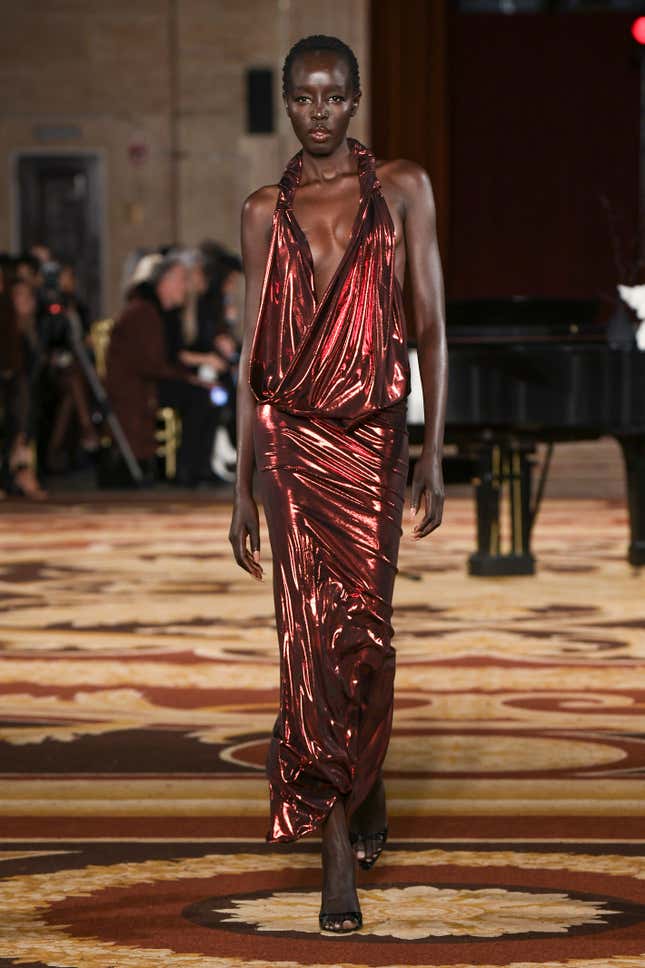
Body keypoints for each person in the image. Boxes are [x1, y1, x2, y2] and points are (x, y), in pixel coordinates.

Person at [229, 34, 447, 933]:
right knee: (307, 638)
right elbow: (252, 348)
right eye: (303, 99)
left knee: (368, 635)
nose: (317, 112)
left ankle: (369, 771)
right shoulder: (260, 210)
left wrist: (434, 451)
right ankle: (332, 848)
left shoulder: (402, 190)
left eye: (332, 98)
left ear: (354, 101)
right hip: (289, 440)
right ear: (287, 105)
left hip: (371, 440)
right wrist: (240, 481)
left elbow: (430, 324)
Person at [105, 255, 219, 485]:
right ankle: (187, 470)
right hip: (138, 387)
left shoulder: (164, 313)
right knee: (200, 397)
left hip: (153, 379)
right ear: (164, 282)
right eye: (181, 280)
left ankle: (198, 467)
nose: (186, 287)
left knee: (211, 395)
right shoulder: (143, 312)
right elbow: (151, 364)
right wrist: (191, 380)